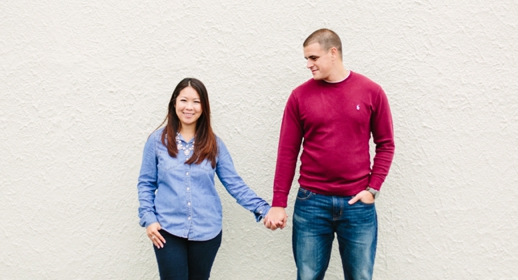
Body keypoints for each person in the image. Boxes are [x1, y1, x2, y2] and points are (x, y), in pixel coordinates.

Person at [263, 29, 395, 280]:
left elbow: (386, 144)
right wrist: (279, 202)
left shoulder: (371, 92)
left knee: (360, 277)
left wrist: (373, 189)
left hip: (357, 204)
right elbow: (287, 152)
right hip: (311, 203)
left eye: (313, 58)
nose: (308, 65)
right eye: (306, 59)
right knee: (308, 276)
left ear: (333, 53)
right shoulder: (299, 96)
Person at [138, 77, 270, 280]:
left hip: (207, 231)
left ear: (204, 107)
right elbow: (146, 183)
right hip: (167, 229)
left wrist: (264, 209)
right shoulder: (157, 141)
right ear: (174, 103)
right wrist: (149, 219)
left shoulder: (214, 144)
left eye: (196, 101)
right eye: (184, 100)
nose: (189, 107)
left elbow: (234, 183)